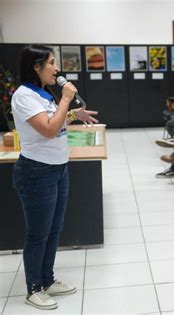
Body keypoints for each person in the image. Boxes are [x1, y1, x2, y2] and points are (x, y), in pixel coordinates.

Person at [11, 45, 98, 310]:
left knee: (54, 229)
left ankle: (46, 280)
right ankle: (33, 288)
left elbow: (55, 121)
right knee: (39, 234)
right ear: (36, 66)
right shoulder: (24, 96)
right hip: (37, 172)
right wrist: (65, 100)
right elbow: (48, 130)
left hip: (58, 169)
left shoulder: (43, 94)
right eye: (51, 63)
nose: (57, 68)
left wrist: (72, 114)